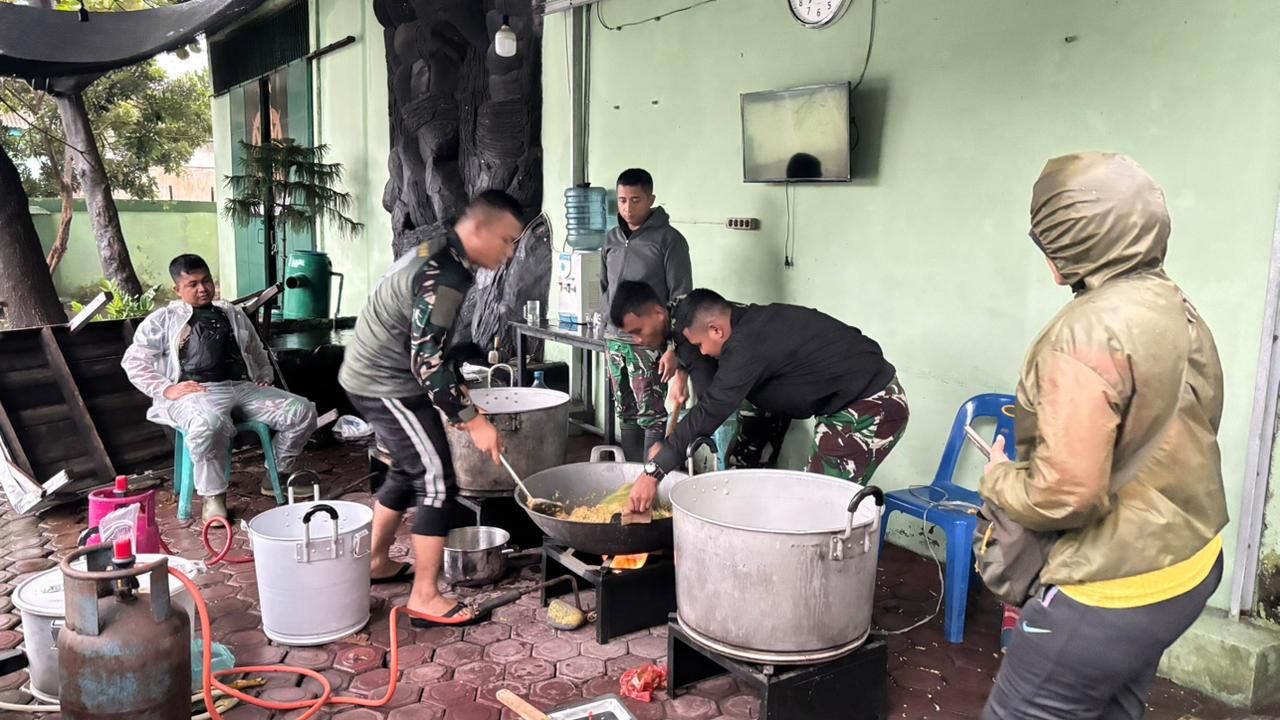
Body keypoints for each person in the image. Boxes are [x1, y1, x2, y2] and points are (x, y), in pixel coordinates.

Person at [979, 153, 1228, 719]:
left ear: (1069, 247)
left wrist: (997, 479)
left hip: (1109, 589)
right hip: (1189, 564)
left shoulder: (1085, 333)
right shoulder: (1175, 304)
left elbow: (1066, 494)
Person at [338, 190, 524, 627]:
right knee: (438, 480)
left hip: (374, 374)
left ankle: (376, 561)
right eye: (507, 240)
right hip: (386, 382)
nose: (510, 254)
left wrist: (458, 399)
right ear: (479, 227)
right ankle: (425, 596)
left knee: (408, 469)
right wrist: (473, 421)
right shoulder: (446, 272)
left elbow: (430, 347)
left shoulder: (439, 250)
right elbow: (427, 362)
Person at [627, 288, 909, 512]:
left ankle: (816, 565)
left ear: (716, 330)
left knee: (818, 504)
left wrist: (655, 470)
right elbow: (707, 383)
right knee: (741, 467)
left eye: (700, 345)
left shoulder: (746, 346)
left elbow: (713, 407)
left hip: (869, 404)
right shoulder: (738, 322)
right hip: (835, 395)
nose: (701, 352)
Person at [122, 254, 318, 521]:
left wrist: (263, 375)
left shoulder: (232, 313)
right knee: (207, 426)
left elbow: (255, 349)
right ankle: (213, 497)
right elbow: (134, 361)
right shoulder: (164, 319)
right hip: (197, 392)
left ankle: (276, 476)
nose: (203, 289)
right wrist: (166, 388)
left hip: (242, 388)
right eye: (192, 284)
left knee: (302, 411)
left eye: (206, 281)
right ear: (177, 289)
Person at [610, 280, 790, 469]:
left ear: (658, 313)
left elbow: (710, 407)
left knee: (742, 465)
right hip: (766, 369)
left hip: (773, 383)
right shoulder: (680, 309)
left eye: (638, 331)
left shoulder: (689, 335)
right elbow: (682, 345)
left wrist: (669, 448)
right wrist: (681, 374)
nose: (638, 340)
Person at [600, 168, 692, 462]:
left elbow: (681, 298)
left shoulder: (669, 240)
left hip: (649, 345)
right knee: (625, 412)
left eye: (636, 200)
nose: (628, 208)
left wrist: (674, 348)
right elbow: (605, 287)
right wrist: (606, 332)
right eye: (622, 200)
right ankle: (630, 475)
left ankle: (650, 475)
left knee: (651, 415)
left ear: (651, 199)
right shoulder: (610, 239)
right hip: (615, 341)